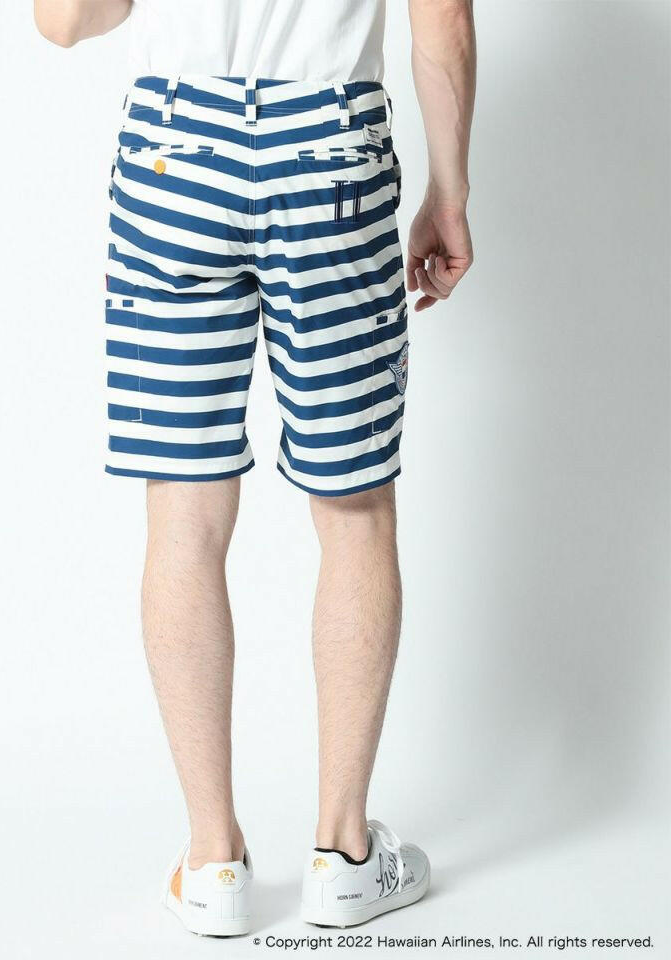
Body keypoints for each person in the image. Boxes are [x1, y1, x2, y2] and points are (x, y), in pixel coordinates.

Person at [35, 0, 475, 936]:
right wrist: (449, 192)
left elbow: (64, 21)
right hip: (331, 145)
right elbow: (442, 18)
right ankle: (344, 858)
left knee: (183, 516)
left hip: (174, 150)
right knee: (354, 508)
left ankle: (212, 864)